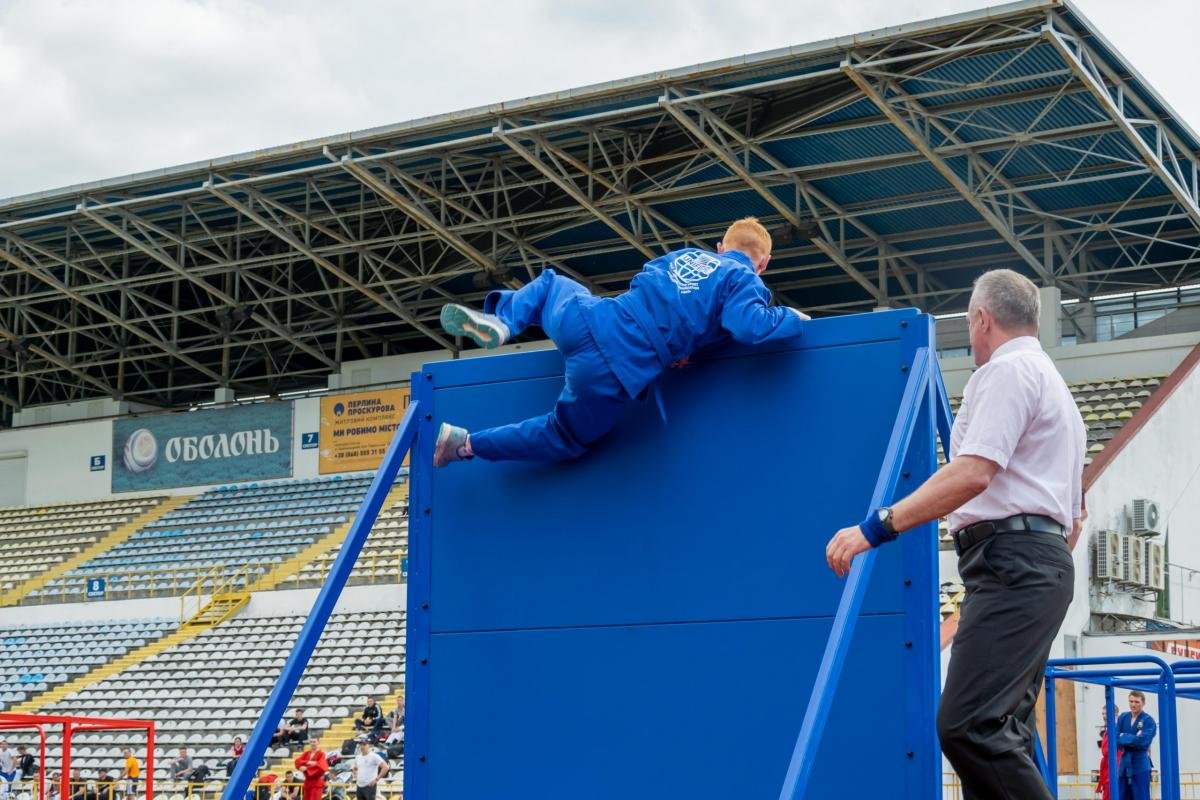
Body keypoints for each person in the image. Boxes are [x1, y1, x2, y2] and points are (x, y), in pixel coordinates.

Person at [825, 269, 1085, 800]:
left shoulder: (1007, 373)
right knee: (1001, 731)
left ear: (981, 319)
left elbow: (972, 472)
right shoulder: (1056, 386)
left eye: (969, 325)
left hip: (1015, 561)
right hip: (1037, 561)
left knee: (970, 726)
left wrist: (875, 527)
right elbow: (1075, 519)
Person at [433, 216, 809, 466]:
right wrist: (792, 317)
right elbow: (747, 326)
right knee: (563, 435)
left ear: (720, 247)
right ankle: (464, 444)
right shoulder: (745, 280)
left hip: (592, 319)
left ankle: (503, 320)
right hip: (616, 371)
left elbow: (650, 284)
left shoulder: (686, 254)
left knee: (551, 285)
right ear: (763, 263)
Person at [1116, 690, 1156, 800]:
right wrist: (1134, 738)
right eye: (1131, 701)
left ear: (1143, 703)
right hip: (1124, 766)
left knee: (1141, 796)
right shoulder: (1123, 717)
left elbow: (1144, 742)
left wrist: (1124, 736)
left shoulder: (1148, 721)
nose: (1133, 704)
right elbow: (1115, 739)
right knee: (1122, 796)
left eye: (1137, 702)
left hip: (1140, 765)